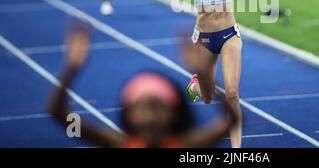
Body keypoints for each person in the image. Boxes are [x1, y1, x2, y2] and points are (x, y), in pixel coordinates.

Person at [151, 0, 293, 148]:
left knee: (232, 94)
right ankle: (196, 83)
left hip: (229, 35)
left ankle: (236, 149)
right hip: (204, 38)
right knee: (206, 98)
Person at [47, 23, 238, 148]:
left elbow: (233, 120)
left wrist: (204, 74)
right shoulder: (117, 143)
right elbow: (58, 112)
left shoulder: (187, 146)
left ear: (174, 112)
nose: (151, 114)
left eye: (157, 106)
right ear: (129, 114)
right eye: (143, 106)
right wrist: (71, 68)